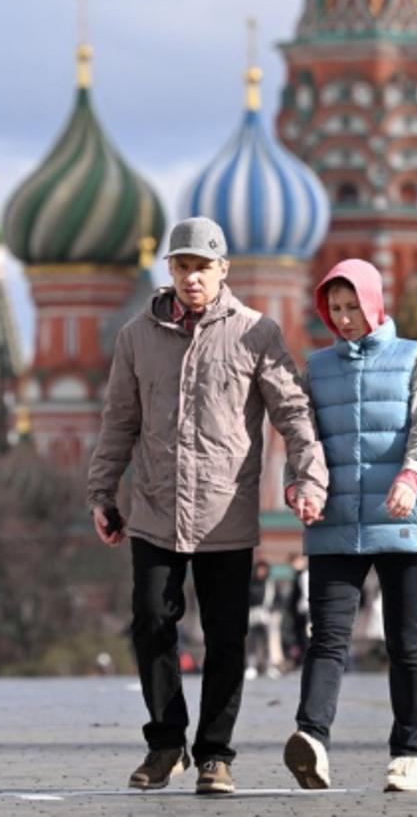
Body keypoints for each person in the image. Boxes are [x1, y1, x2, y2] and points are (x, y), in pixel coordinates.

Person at [86, 216, 327, 796]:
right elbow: (119, 421)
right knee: (151, 622)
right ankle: (166, 744)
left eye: (202, 267)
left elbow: (293, 412)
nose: (192, 278)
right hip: (155, 509)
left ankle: (215, 755)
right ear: (170, 270)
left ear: (223, 270)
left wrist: (308, 476)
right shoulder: (137, 336)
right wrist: (102, 493)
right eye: (183, 266)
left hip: (226, 513)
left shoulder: (256, 333)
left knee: (225, 639)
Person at [283, 259, 417, 795]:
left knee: (405, 642)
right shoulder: (317, 368)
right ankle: (311, 740)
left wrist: (411, 477)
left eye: (353, 306)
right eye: (335, 308)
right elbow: (304, 441)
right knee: (327, 639)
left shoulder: (414, 358)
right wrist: (299, 489)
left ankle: (408, 755)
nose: (345, 318)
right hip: (337, 520)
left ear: (374, 303)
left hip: (403, 517)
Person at [247, 561, 282, 680]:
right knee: (252, 641)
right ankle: (251, 666)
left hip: (267, 614)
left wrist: (273, 609)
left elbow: (279, 600)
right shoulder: (251, 583)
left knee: (269, 641)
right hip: (253, 614)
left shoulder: (271, 584)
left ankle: (270, 666)